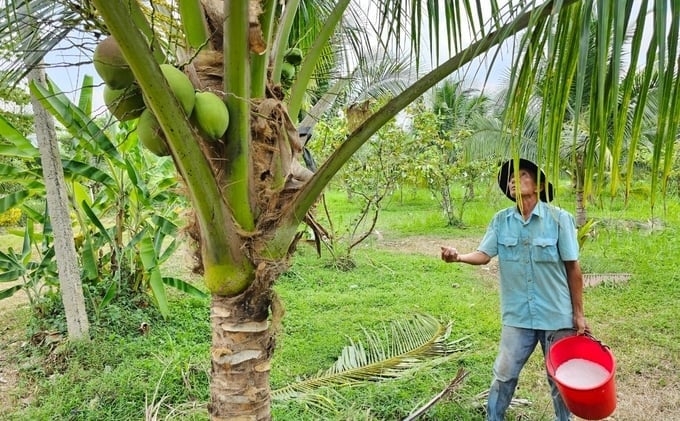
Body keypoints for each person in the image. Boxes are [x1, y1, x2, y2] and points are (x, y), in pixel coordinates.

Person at [440, 158, 588, 421]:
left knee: (559, 377)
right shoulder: (501, 221)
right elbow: (484, 255)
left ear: (540, 186)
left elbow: (573, 269)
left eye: (521, 175)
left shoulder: (559, 219)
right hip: (518, 316)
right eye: (510, 178)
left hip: (556, 314)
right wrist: (458, 256)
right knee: (504, 373)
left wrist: (578, 314)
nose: (512, 181)